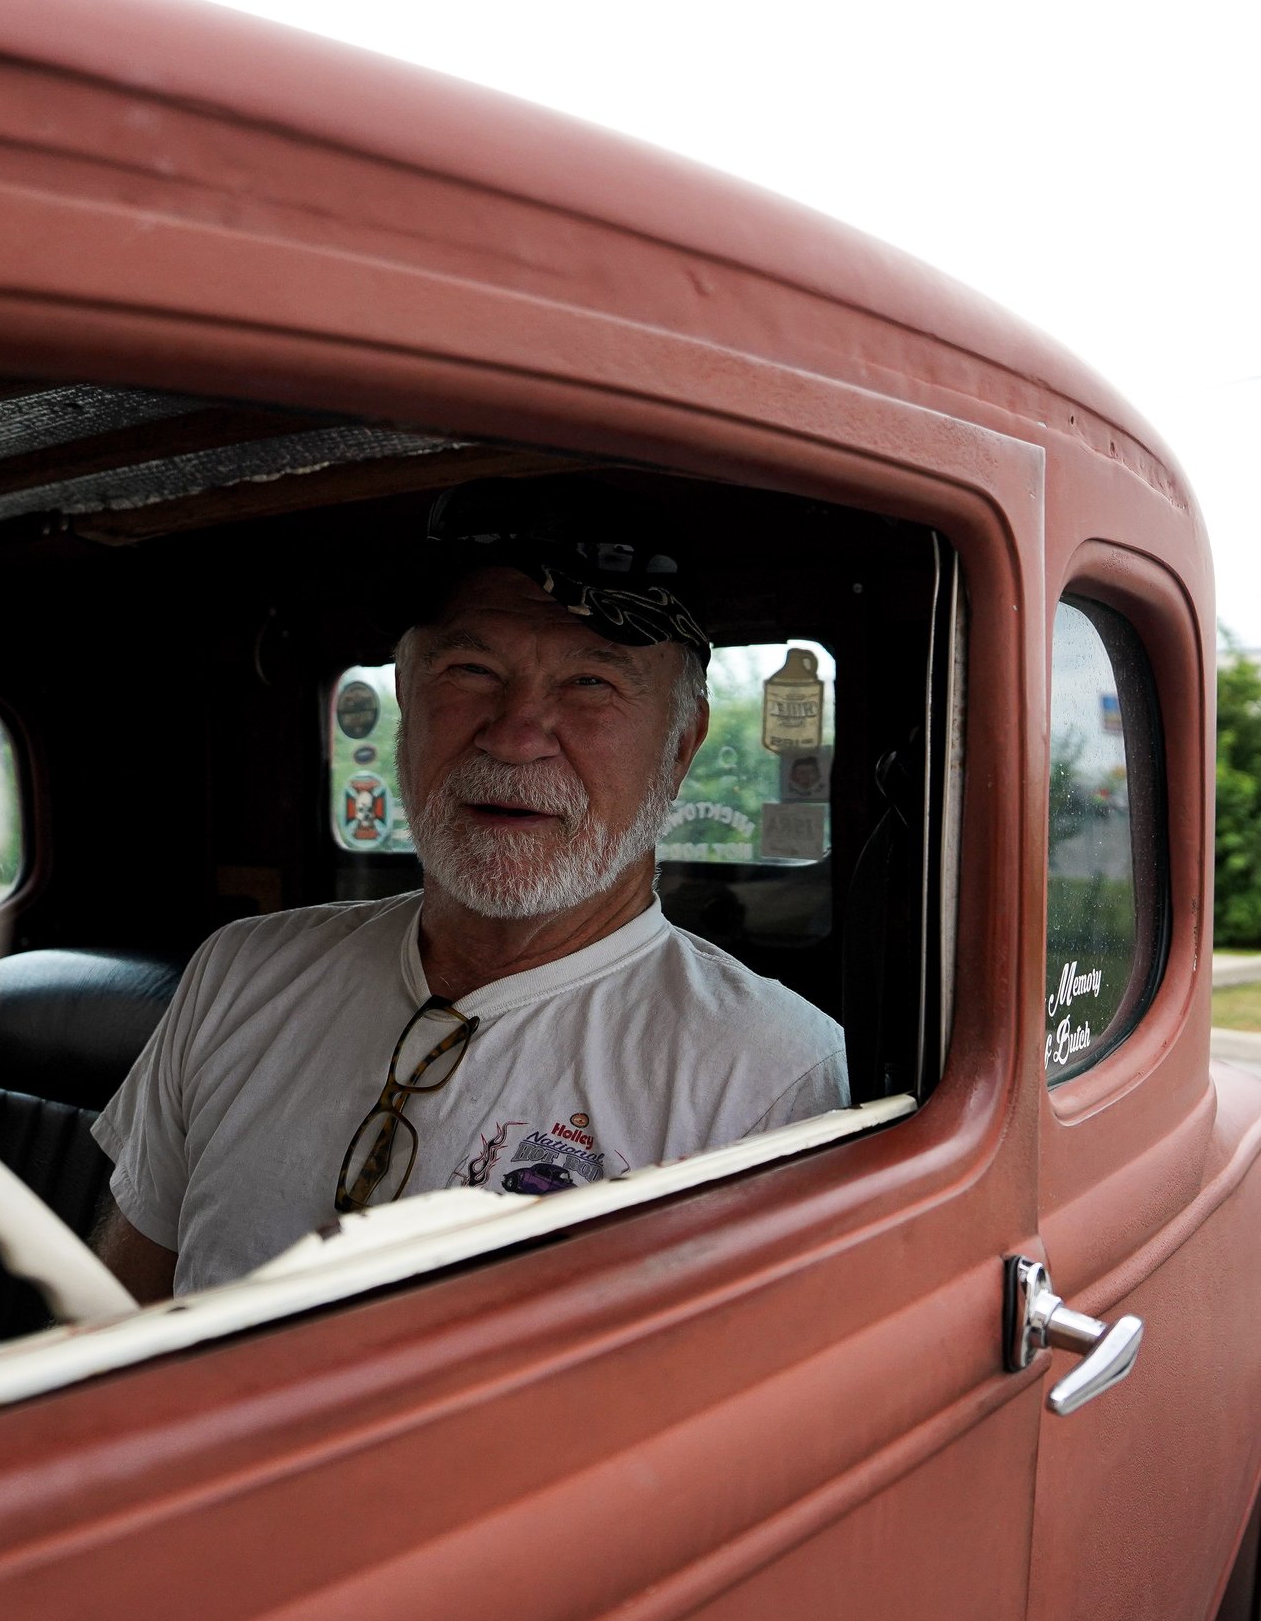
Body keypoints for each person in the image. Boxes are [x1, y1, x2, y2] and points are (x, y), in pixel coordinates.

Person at [90, 478, 849, 1299]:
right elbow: (116, 1321)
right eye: (470, 668)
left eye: (590, 682)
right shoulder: (240, 973)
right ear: (406, 709)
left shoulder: (771, 1076)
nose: (517, 732)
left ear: (681, 747)